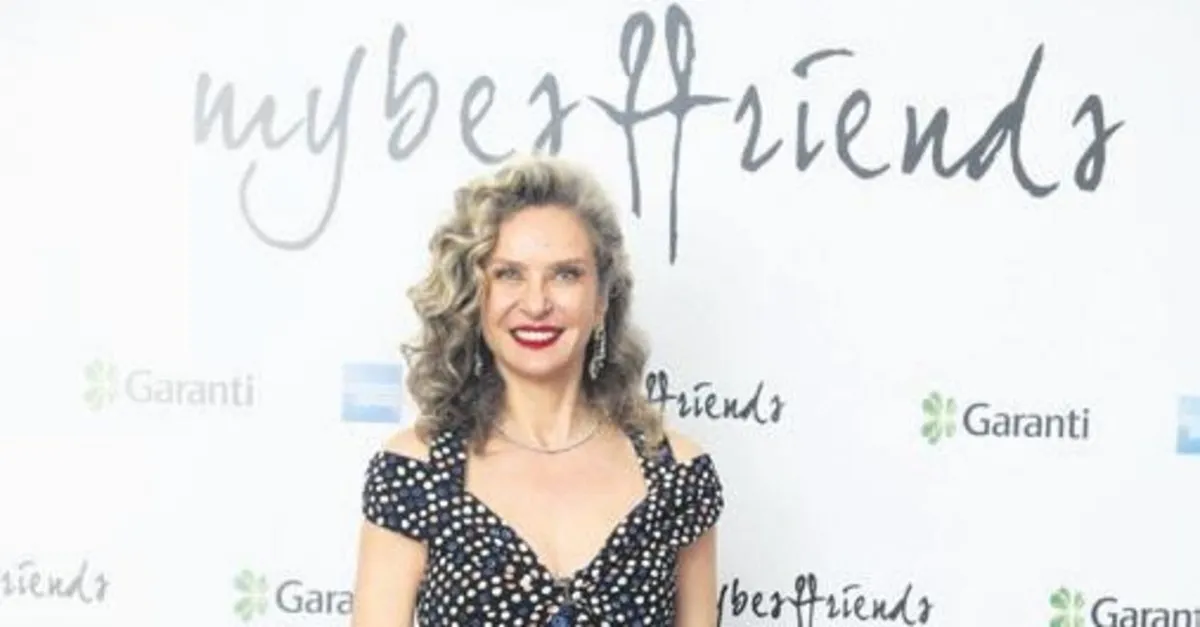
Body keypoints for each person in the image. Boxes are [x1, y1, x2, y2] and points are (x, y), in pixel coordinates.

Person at [350, 154, 725, 626]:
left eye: (565, 274)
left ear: (601, 299)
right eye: (509, 274)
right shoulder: (415, 472)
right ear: (475, 296)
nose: (536, 303)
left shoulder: (677, 475)